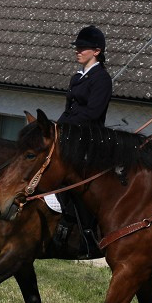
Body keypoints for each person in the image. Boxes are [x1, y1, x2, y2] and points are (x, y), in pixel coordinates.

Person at [52, 25, 112, 251]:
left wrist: (65, 127)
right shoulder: (76, 77)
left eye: (82, 48)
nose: (77, 51)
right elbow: (69, 109)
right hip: (70, 134)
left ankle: (79, 225)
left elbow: (92, 113)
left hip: (89, 138)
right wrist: (55, 127)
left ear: (96, 51)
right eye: (77, 47)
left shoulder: (102, 79)